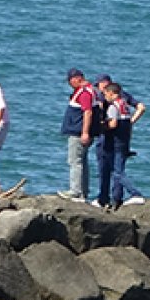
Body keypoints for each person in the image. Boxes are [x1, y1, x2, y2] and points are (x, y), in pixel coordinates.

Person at [92, 75, 147, 208]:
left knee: (115, 171)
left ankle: (134, 193)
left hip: (113, 141)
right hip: (124, 139)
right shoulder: (125, 104)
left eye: (105, 93)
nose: (104, 96)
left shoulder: (113, 106)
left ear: (111, 92)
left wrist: (101, 125)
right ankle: (116, 199)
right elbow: (140, 108)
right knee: (118, 168)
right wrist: (131, 123)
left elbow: (113, 124)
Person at [57, 68, 97, 202]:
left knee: (75, 161)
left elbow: (87, 112)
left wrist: (85, 132)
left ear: (77, 78)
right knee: (82, 161)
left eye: (70, 80)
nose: (69, 83)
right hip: (81, 132)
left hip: (78, 132)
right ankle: (82, 192)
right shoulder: (90, 90)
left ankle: (75, 191)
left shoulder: (85, 94)